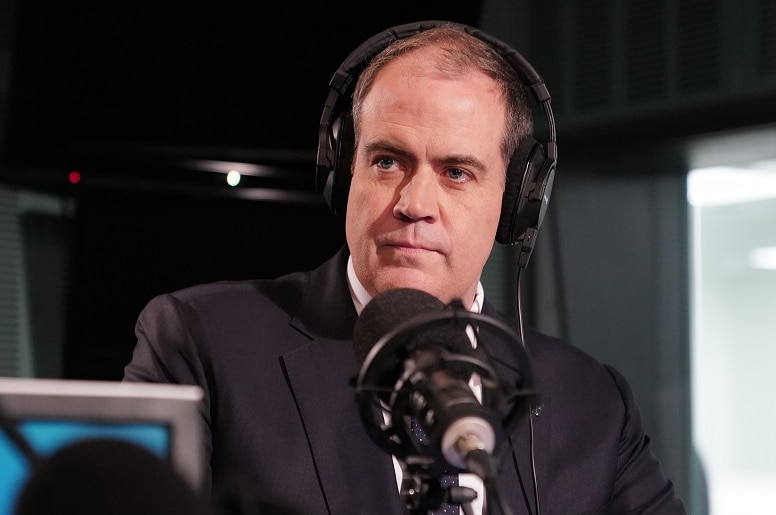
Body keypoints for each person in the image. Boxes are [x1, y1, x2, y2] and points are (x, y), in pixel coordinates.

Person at [123, 20, 687, 515]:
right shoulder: (201, 342)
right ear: (344, 174)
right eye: (388, 161)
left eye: (456, 172)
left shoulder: (591, 402)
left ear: (515, 201)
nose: (415, 203)